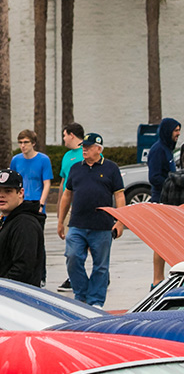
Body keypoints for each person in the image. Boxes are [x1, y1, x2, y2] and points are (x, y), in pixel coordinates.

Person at [56, 132, 125, 308]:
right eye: (83, 147)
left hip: (102, 226)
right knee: (72, 257)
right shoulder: (76, 168)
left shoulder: (111, 168)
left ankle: (95, 301)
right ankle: (81, 295)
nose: (84, 149)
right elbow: (67, 195)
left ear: (99, 149)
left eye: (88, 147)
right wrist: (60, 221)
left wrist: (120, 221)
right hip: (77, 224)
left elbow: (119, 196)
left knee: (100, 266)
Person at [0, 169, 45, 285]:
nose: (1, 195)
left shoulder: (25, 223)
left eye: (8, 191)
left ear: (20, 193)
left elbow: (23, 268)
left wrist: (0, 287)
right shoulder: (6, 219)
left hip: (14, 292)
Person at [148, 117, 181, 285]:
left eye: (179, 130)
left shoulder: (168, 149)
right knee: (160, 242)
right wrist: (171, 183)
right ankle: (157, 280)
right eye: (176, 130)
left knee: (172, 240)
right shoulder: (158, 150)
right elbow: (154, 177)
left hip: (172, 201)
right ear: (167, 131)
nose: (178, 134)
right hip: (160, 200)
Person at [56, 123, 86, 292]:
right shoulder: (67, 156)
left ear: (72, 135)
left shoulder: (88, 152)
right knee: (71, 244)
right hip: (70, 207)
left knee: (91, 244)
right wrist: (60, 205)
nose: (64, 139)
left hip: (86, 206)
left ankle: (101, 274)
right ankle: (73, 277)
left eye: (65, 135)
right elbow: (63, 182)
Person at [10, 130, 53, 212]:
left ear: (33, 143)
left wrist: (41, 204)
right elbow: (12, 182)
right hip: (19, 202)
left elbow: (47, 183)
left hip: (36, 202)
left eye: (26, 142)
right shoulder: (15, 160)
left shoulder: (44, 159)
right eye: (20, 142)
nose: (23, 145)